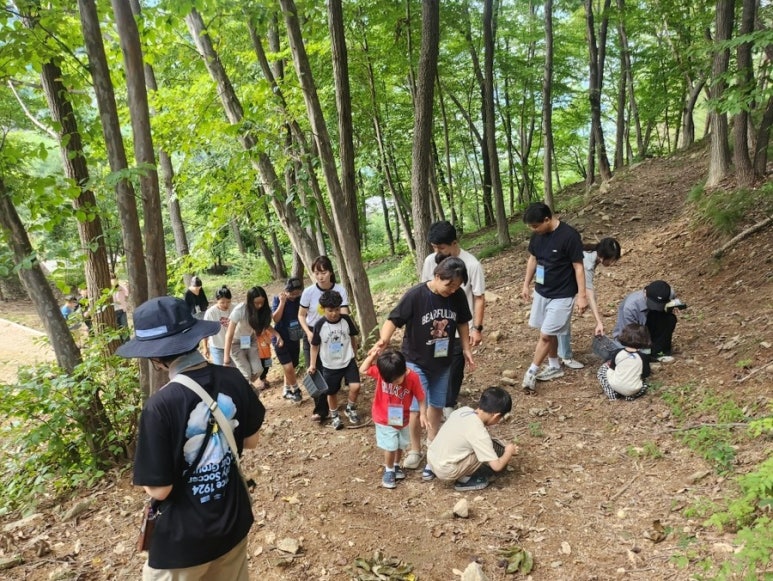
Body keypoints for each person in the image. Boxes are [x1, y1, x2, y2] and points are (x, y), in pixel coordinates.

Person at [116, 296, 264, 580]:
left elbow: (159, 490)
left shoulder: (160, 406)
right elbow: (251, 441)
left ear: (155, 357)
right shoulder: (233, 379)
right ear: (195, 337)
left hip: (183, 542)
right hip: (232, 522)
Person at [374, 256, 475, 481]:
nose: (453, 289)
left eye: (457, 286)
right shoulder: (416, 295)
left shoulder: (456, 296)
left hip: (443, 361)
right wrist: (384, 340)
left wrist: (466, 348)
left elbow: (462, 322)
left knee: (437, 406)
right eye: (449, 284)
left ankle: (433, 454)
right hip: (415, 361)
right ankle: (415, 450)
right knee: (418, 407)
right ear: (437, 276)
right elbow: (393, 319)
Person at [420, 220, 485, 423]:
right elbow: (425, 287)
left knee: (455, 366)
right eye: (434, 247)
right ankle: (433, 402)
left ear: (454, 243)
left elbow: (479, 297)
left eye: (441, 247)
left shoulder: (472, 264)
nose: (437, 251)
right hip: (434, 324)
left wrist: (477, 328)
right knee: (435, 362)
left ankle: (449, 404)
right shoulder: (431, 261)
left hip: (458, 327)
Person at [520, 202, 587, 394]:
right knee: (546, 331)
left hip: (562, 294)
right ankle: (554, 365)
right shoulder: (537, 236)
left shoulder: (569, 236)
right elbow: (533, 259)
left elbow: (578, 267)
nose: (534, 230)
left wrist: (582, 296)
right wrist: (526, 284)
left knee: (546, 335)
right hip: (542, 291)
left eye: (535, 226)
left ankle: (532, 371)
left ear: (547, 219)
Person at [427, 387, 519, 492]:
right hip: (445, 470)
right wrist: (508, 452)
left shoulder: (464, 410)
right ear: (496, 416)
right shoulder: (479, 433)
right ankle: (464, 480)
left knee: (479, 445)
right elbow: (497, 466)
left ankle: (433, 469)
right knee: (481, 451)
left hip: (431, 457)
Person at [360, 348, 428, 489]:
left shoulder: (413, 378)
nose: (394, 383)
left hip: (402, 418)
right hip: (383, 417)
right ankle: (389, 469)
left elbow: (421, 397)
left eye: (396, 380)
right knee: (390, 446)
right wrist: (372, 356)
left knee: (400, 444)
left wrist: (423, 414)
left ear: (403, 370)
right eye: (389, 381)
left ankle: (396, 466)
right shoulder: (384, 372)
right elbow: (363, 369)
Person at [557, 237, 622, 369]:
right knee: (563, 320)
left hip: (564, 284)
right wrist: (598, 321)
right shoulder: (587, 262)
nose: (613, 263)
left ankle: (558, 353)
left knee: (561, 320)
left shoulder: (591, 255)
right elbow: (588, 292)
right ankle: (565, 356)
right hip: (559, 286)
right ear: (604, 257)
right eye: (612, 259)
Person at [308, 290, 361, 429]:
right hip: (330, 365)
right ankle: (334, 415)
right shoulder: (319, 325)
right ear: (323, 309)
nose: (334, 313)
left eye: (337, 309)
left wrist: (354, 353)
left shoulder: (346, 320)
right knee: (331, 392)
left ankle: (350, 408)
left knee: (355, 386)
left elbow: (352, 337)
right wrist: (312, 364)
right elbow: (314, 346)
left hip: (348, 360)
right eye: (330, 310)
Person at [224, 286, 283, 390]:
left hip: (250, 340)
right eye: (256, 303)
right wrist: (226, 357)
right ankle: (246, 393)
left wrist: (277, 335)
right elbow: (229, 334)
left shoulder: (263, 310)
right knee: (246, 373)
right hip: (236, 343)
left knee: (258, 370)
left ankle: (244, 387)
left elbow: (266, 325)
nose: (260, 305)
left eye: (262, 302)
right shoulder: (240, 310)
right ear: (250, 301)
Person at [612, 280, 683, 363]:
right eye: (653, 303)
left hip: (651, 323)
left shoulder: (668, 293)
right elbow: (629, 335)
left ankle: (659, 352)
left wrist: (673, 306)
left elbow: (673, 299)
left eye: (659, 304)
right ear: (645, 292)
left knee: (670, 319)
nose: (656, 307)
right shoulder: (630, 307)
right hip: (633, 333)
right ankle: (647, 355)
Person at [298, 256, 350, 369]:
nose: (320, 277)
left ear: (330, 272)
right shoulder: (308, 292)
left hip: (333, 331)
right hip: (312, 331)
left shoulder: (340, 290)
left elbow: (344, 313)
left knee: (332, 368)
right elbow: (301, 315)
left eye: (323, 272)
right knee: (313, 368)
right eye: (316, 273)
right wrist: (308, 332)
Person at [597, 323, 651, 400]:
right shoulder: (644, 357)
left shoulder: (617, 352)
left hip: (615, 385)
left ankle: (612, 394)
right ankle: (631, 396)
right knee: (645, 384)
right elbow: (646, 374)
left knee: (603, 369)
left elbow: (612, 368)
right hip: (633, 389)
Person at [272, 277, 305, 403]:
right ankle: (296, 390)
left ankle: (286, 389)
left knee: (292, 365)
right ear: (286, 291)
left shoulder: (300, 300)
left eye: (297, 293)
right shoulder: (278, 299)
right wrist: (282, 302)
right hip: (280, 339)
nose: (294, 296)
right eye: (292, 293)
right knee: (289, 367)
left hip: (294, 337)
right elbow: (275, 319)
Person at [203, 286, 233, 366]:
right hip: (217, 346)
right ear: (217, 301)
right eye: (222, 302)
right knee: (221, 370)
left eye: (228, 302)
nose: (225, 305)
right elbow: (205, 331)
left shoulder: (235, 308)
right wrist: (205, 347)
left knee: (236, 370)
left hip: (233, 345)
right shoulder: (210, 313)